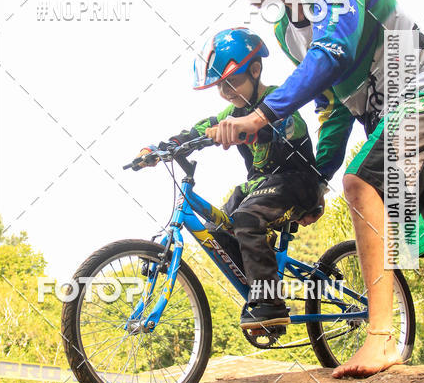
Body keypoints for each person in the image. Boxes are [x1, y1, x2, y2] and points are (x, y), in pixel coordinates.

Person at [211, 0, 424, 376]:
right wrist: (314, 182)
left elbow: (334, 50)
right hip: (385, 121)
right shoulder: (286, 33)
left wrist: (260, 115)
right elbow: (334, 108)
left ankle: (381, 339)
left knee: (361, 182)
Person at [137, 27, 322, 331]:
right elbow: (200, 129)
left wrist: (246, 128)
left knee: (247, 217)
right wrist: (160, 149)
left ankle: (270, 303)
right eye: (220, 87)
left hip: (298, 184)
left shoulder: (277, 99)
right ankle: (258, 287)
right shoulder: (231, 112)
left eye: (232, 82)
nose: (226, 92)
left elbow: (288, 126)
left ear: (255, 70)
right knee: (217, 232)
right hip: (259, 188)